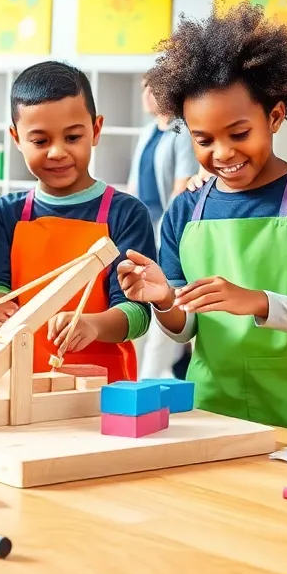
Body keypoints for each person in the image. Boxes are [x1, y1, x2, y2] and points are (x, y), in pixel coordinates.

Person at [117, 2, 287, 435]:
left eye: (239, 133)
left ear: (276, 117)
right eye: (203, 139)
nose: (223, 153)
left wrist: (258, 301)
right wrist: (165, 301)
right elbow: (183, 330)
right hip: (211, 410)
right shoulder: (186, 210)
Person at [0, 61, 156, 383]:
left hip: (104, 388)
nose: (57, 152)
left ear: (96, 129)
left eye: (72, 137)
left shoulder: (127, 214)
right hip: (16, 382)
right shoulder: (6, 212)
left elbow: (138, 313)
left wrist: (93, 325)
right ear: (16, 138)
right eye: (40, 141)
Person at [128, 76, 198, 379]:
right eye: (143, 86)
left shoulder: (181, 131)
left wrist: (164, 235)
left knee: (164, 299)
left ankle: (152, 378)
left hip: (166, 229)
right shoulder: (147, 132)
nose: (145, 94)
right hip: (144, 226)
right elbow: (133, 184)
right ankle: (144, 374)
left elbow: (180, 187)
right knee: (142, 302)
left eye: (151, 87)